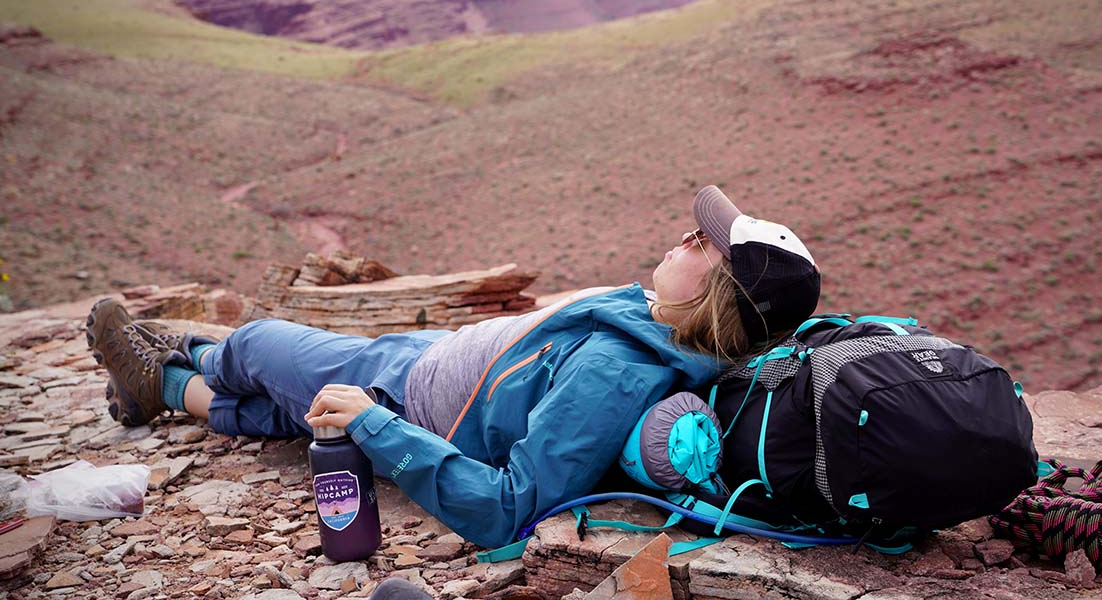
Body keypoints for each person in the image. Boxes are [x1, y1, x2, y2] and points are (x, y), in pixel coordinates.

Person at [85, 186, 820, 547]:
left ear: (718, 294)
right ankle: (163, 387)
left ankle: (186, 354)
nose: (682, 237)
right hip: (429, 369)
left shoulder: (620, 373)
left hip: (408, 394)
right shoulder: (659, 322)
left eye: (700, 240)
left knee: (258, 345)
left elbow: (509, 505)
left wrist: (377, 425)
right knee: (279, 415)